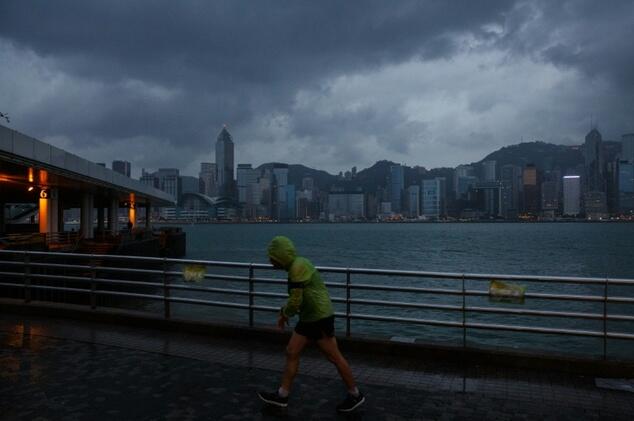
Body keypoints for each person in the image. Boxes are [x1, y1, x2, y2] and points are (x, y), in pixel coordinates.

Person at [257, 236, 365, 413]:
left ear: (280, 256)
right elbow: (296, 300)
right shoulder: (295, 265)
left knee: (334, 357)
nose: (270, 261)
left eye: (272, 257)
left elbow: (296, 300)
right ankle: (282, 395)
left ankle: (355, 394)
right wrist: (285, 312)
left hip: (318, 317)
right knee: (292, 351)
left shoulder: (298, 267)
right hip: (308, 318)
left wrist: (284, 313)